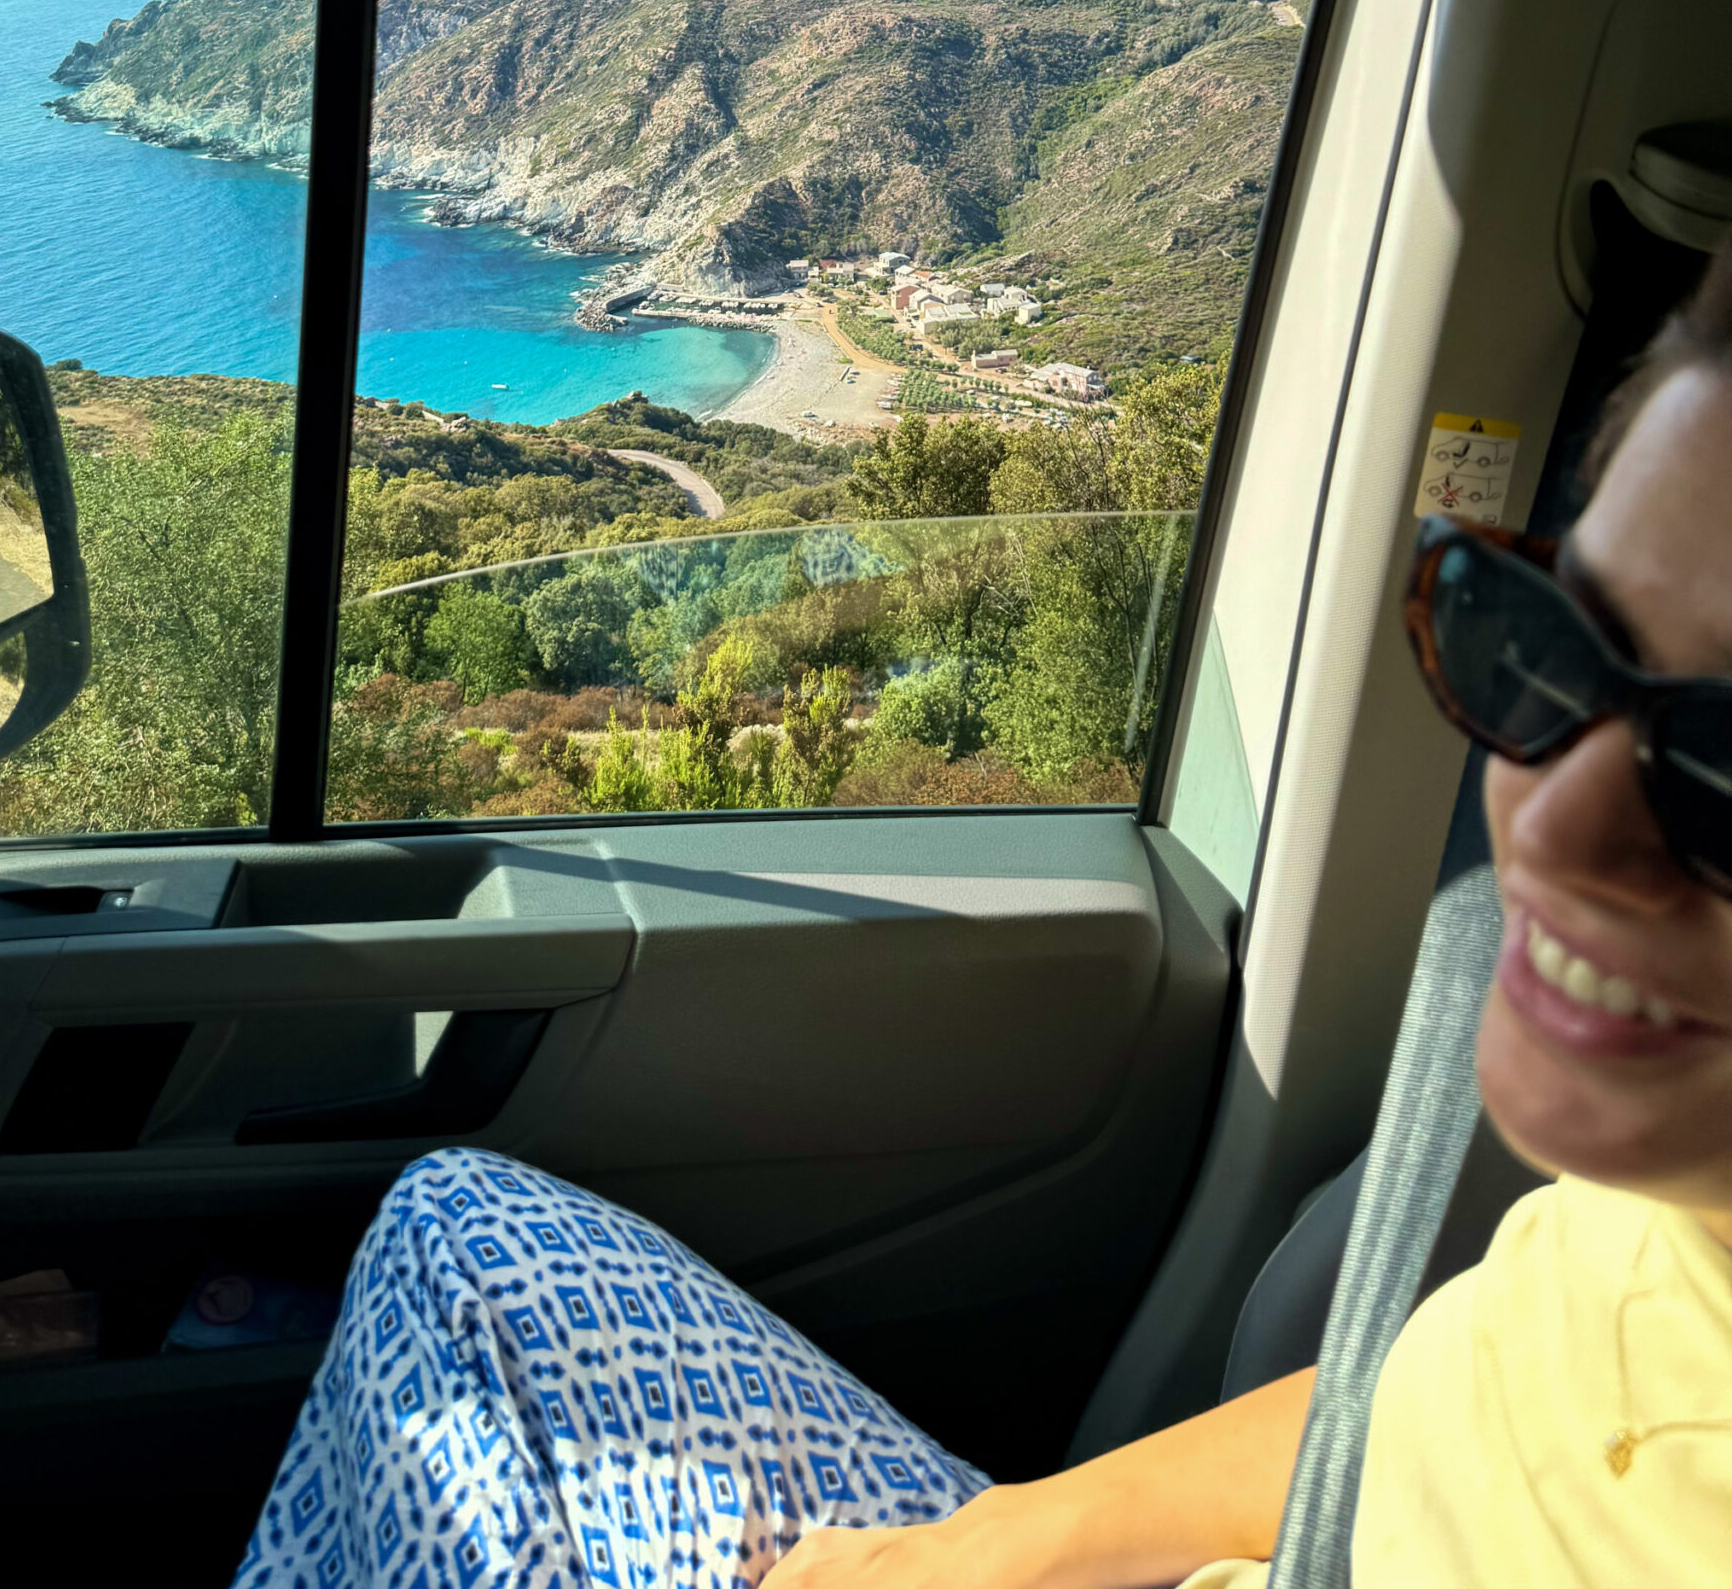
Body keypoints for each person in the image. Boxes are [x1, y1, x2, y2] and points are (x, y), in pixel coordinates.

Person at [234, 251, 1732, 1587]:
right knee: (460, 1235)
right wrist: (980, 1550)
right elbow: (1407, 1411)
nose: (1554, 827)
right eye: (1549, 650)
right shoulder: (1657, 1215)